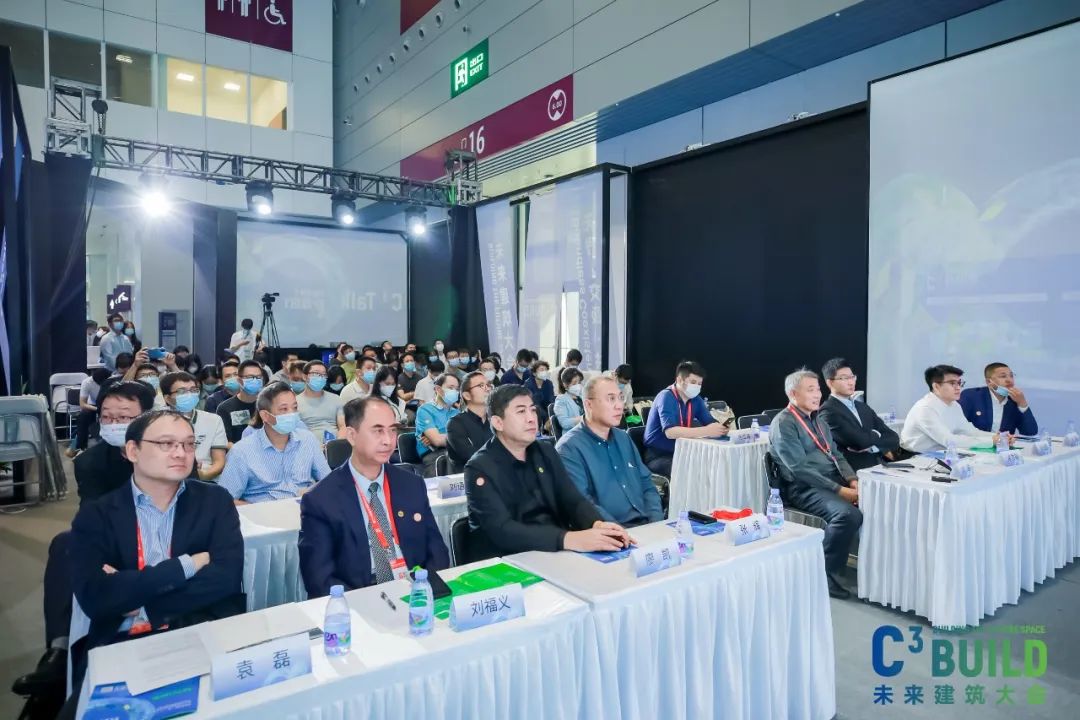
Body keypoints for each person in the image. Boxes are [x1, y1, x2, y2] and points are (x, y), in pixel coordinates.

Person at [66, 410, 245, 703]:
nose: (181, 453)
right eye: (166, 444)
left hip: (202, 628)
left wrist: (138, 599)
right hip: (121, 639)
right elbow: (97, 598)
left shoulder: (215, 501)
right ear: (133, 451)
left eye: (188, 444)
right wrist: (185, 566)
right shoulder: (97, 515)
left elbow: (226, 578)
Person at [298, 397, 450, 597]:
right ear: (352, 435)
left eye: (392, 430)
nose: (388, 440)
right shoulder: (321, 499)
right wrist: (369, 602)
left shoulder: (411, 484)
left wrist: (424, 589)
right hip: (360, 595)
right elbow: (319, 578)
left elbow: (437, 550)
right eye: (378, 431)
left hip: (415, 588)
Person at [465, 385, 634, 557]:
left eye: (533, 410)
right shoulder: (479, 468)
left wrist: (596, 524)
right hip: (507, 560)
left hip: (554, 550)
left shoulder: (545, 451)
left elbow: (572, 499)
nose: (531, 418)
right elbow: (502, 530)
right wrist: (568, 539)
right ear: (498, 423)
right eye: (521, 412)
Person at [769, 368, 861, 599]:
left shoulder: (818, 420)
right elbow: (798, 469)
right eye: (810, 390)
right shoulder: (784, 423)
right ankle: (822, 575)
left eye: (818, 389)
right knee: (847, 515)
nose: (818, 394)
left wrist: (853, 480)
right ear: (793, 393)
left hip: (832, 481)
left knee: (879, 502)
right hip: (804, 487)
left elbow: (836, 454)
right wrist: (840, 490)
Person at [556, 376, 663, 527]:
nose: (619, 406)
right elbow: (582, 504)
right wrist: (622, 533)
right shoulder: (569, 448)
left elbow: (647, 483)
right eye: (611, 399)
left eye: (620, 398)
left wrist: (655, 523)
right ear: (589, 404)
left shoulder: (623, 438)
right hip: (609, 532)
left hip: (646, 526)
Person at [217, 382, 332, 504]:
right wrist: (257, 510)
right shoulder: (242, 451)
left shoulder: (307, 439)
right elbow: (224, 500)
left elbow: (329, 481)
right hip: (264, 511)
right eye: (284, 409)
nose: (292, 414)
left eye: (294, 408)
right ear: (265, 416)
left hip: (305, 508)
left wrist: (313, 492)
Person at [642, 361, 729, 476]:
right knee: (693, 469)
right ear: (679, 380)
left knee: (714, 463)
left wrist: (720, 428)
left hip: (683, 452)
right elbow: (670, 432)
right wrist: (707, 431)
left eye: (699, 384)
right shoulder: (666, 397)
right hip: (659, 456)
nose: (697, 387)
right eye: (693, 382)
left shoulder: (696, 399)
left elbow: (710, 422)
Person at [818, 357, 901, 472]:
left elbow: (893, 438)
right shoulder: (828, 411)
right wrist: (877, 434)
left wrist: (872, 447)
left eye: (852, 377)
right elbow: (860, 442)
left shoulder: (863, 407)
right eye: (844, 378)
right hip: (852, 472)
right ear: (830, 382)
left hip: (878, 466)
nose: (851, 382)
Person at [901, 365, 1001, 453]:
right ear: (936, 386)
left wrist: (997, 436)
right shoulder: (925, 409)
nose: (958, 388)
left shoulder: (954, 405)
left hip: (942, 453)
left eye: (959, 383)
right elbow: (949, 440)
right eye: (952, 383)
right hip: (915, 457)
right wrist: (991, 441)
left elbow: (969, 431)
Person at [161, 371, 228, 481]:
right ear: (167, 398)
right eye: (182, 391)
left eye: (193, 390)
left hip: (206, 479)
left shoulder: (213, 420)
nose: (189, 395)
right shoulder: (157, 423)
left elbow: (219, 462)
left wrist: (200, 476)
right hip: (169, 478)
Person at [959, 362, 1039, 436]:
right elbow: (959, 429)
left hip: (1003, 446)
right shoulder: (971, 396)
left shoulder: (1014, 401)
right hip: (975, 445)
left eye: (1011, 376)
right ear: (989, 382)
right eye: (1003, 376)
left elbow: (1030, 432)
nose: (1009, 380)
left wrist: (1022, 404)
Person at [415, 373, 460, 476]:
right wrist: (460, 438)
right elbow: (437, 441)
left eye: (457, 389)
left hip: (455, 451)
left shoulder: (457, 412)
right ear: (438, 389)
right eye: (450, 388)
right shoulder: (425, 410)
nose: (454, 391)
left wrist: (442, 436)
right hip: (434, 454)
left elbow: (468, 438)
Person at [447, 371, 493, 470]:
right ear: (467, 395)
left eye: (488, 385)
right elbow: (473, 458)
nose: (487, 389)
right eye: (481, 385)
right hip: (468, 476)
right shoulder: (455, 424)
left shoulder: (495, 420)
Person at [216, 360, 267, 444]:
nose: (255, 380)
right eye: (250, 377)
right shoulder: (225, 408)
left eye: (258, 377)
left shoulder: (268, 405)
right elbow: (226, 442)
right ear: (239, 380)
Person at [297, 359, 346, 438]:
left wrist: (338, 443)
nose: (320, 377)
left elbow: (343, 426)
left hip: (334, 443)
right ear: (305, 377)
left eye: (323, 375)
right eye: (316, 374)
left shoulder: (336, 399)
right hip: (308, 442)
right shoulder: (295, 403)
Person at [70, 367, 111, 454]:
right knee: (83, 416)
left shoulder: (112, 381)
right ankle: (81, 447)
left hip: (110, 405)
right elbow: (82, 404)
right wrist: (98, 409)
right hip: (93, 406)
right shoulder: (87, 382)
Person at [553, 367, 585, 433]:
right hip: (573, 434)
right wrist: (584, 419)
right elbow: (564, 423)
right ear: (565, 385)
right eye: (574, 383)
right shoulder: (561, 400)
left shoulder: (582, 397)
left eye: (579, 382)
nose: (578, 385)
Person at [528, 359, 557, 428]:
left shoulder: (548, 383)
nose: (544, 372)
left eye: (546, 370)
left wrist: (551, 416)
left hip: (548, 413)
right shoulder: (528, 384)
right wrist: (546, 418)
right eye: (541, 370)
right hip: (534, 412)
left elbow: (551, 400)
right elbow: (534, 403)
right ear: (534, 373)